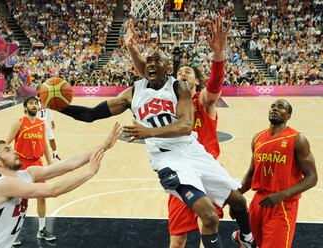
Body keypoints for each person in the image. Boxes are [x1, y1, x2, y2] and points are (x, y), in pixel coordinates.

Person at [58, 49, 256, 248]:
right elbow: (91, 114)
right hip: (168, 160)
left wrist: (149, 132)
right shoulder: (133, 93)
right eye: (148, 61)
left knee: (238, 200)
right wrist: (60, 107)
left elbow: (186, 126)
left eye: (157, 61)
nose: (151, 64)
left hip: (193, 151)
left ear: (167, 68)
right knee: (209, 217)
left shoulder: (180, 88)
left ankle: (246, 238)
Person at [125, 18, 227, 248]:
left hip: (203, 173)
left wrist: (218, 56)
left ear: (197, 81)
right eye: (180, 70)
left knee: (207, 226)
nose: (183, 74)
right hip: (180, 175)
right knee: (177, 238)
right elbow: (147, 73)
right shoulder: (168, 101)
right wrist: (132, 48)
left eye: (188, 72)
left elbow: (214, 87)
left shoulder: (202, 101)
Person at [0, 123, 121, 248]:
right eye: (7, 150)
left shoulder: (27, 174)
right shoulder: (2, 184)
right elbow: (52, 190)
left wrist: (104, 146)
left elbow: (69, 165)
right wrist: (89, 173)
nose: (15, 151)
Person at [232, 99, 318, 248]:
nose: (275, 109)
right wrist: (236, 198)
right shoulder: (258, 138)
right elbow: (252, 173)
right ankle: (242, 237)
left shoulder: (297, 139)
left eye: (280, 107)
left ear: (288, 116)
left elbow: (312, 177)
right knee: (249, 245)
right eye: (272, 106)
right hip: (258, 203)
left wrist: (281, 195)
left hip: (282, 205)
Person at [6, 96, 54, 243]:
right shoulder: (19, 122)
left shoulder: (41, 123)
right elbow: (6, 143)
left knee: (42, 196)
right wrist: (8, 164)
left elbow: (44, 144)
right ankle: (10, 235)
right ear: (25, 107)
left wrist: (50, 162)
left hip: (37, 164)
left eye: (36, 103)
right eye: (31, 103)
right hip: (21, 165)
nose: (34, 105)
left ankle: (41, 230)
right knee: (18, 200)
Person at [36, 91, 61, 160]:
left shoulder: (45, 100)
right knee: (38, 140)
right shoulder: (34, 101)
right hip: (37, 123)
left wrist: (52, 120)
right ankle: (36, 156)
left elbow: (49, 110)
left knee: (52, 138)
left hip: (45, 122)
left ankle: (55, 154)